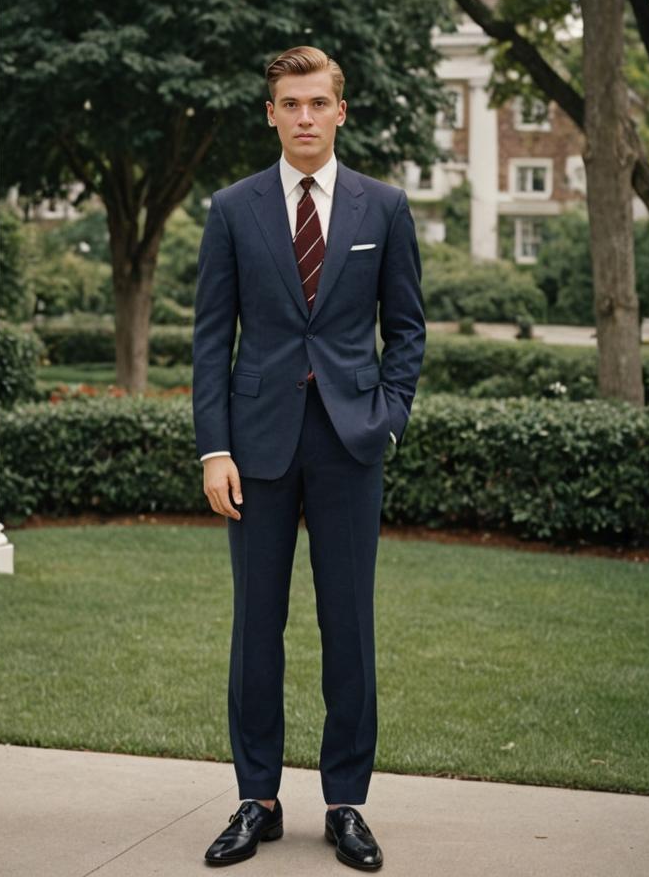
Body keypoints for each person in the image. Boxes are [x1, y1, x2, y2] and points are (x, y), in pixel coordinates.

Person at [192, 46, 426, 871]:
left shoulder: (385, 207)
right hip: (253, 451)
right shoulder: (232, 207)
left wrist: (387, 418)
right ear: (270, 113)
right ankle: (256, 800)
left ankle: (346, 803)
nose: (302, 116)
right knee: (257, 629)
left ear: (340, 111)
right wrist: (213, 448)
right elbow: (212, 338)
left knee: (348, 627)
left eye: (316, 102)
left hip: (350, 444)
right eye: (289, 103)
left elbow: (408, 329)